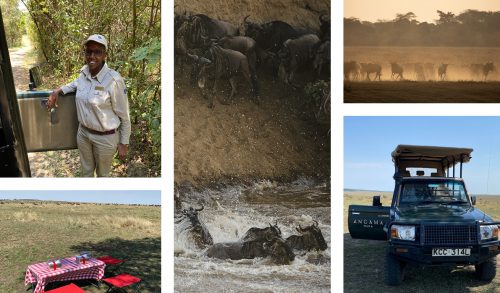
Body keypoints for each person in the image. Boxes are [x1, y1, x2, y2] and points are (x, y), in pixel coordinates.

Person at [47, 34, 131, 177]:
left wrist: (124, 143)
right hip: (83, 134)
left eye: (97, 52)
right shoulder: (83, 74)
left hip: (105, 138)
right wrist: (57, 91)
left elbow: (125, 115)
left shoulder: (114, 80)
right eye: (89, 51)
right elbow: (74, 85)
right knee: (85, 173)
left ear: (105, 55)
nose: (92, 56)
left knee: (102, 176)